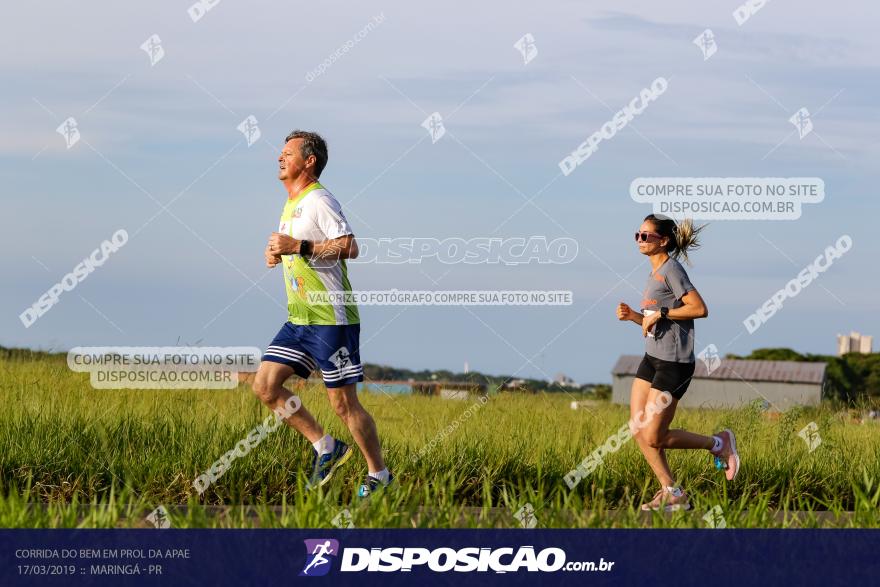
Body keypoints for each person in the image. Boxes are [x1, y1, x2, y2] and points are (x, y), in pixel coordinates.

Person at [251, 130, 393, 497]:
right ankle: (325, 446)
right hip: (299, 319)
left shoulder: (319, 200)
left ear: (308, 161)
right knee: (265, 386)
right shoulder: (289, 205)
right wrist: (278, 254)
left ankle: (378, 475)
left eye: (287, 153)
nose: (279, 158)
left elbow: (350, 246)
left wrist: (297, 245)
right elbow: (296, 252)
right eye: (279, 153)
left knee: (343, 403)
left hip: (332, 318)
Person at [616, 214, 739, 512]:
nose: (640, 240)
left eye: (646, 236)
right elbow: (657, 321)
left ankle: (718, 443)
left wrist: (663, 313)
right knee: (637, 426)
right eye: (638, 235)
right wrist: (635, 316)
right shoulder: (653, 273)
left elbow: (699, 308)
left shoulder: (672, 269)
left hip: (674, 364)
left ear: (664, 241)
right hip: (652, 358)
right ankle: (673, 492)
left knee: (654, 435)